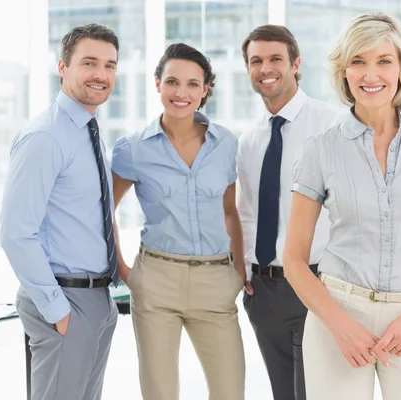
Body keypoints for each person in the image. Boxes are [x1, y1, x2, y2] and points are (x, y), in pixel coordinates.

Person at [282, 12, 401, 400]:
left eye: (384, 61)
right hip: (339, 316)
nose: (371, 75)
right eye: (358, 62)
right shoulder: (320, 150)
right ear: (344, 72)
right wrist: (338, 325)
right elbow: (295, 260)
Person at [111, 43, 246, 400]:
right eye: (172, 81)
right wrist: (124, 270)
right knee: (159, 393)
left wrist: (240, 269)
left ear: (205, 90)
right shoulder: (133, 149)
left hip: (216, 282)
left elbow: (230, 211)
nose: (181, 93)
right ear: (158, 84)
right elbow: (102, 210)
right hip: (156, 282)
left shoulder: (226, 143)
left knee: (230, 391)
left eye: (192, 84)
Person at [0, 23, 119, 400]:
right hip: (65, 302)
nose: (101, 74)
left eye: (110, 65)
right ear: (63, 66)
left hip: (97, 299)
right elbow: (16, 233)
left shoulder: (87, 129)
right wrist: (58, 312)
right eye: (89, 63)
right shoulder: (46, 136)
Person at [236, 25, 340, 400]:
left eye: (275, 58)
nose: (266, 68)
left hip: (318, 284)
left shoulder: (333, 125)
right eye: (256, 61)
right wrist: (246, 272)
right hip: (264, 290)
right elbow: (247, 212)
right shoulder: (250, 138)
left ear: (296, 64)